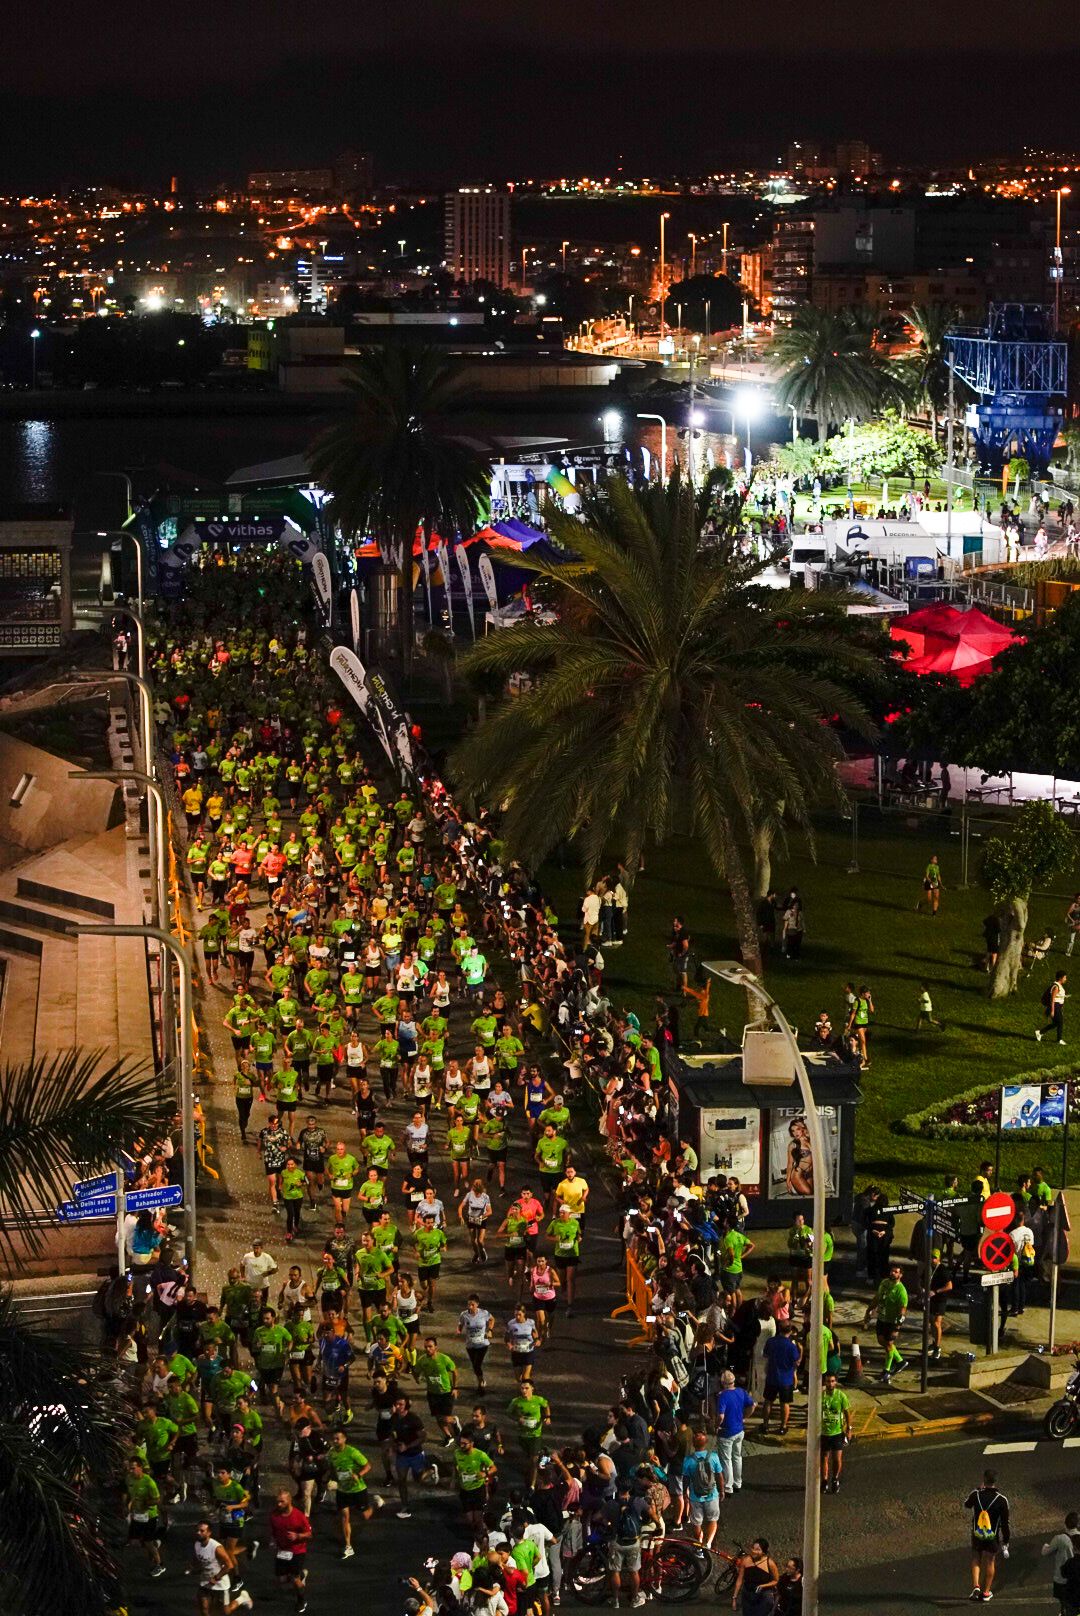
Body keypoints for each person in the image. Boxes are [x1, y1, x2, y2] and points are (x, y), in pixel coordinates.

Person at [964, 1468, 1010, 1603]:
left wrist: (978, 1489)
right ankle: (986, 1592)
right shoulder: (1002, 1500)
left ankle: (976, 1586)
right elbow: (1005, 1523)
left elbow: (966, 1505)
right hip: (992, 1536)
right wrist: (1005, 1540)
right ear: (995, 1481)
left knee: (976, 1557)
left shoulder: (976, 1494)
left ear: (984, 1479)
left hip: (977, 1533)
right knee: (990, 1561)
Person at [192, 1519, 253, 1614]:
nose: (198, 1533)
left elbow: (229, 1565)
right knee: (204, 1608)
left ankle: (242, 1598)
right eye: (197, 1530)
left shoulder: (217, 1547)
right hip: (205, 1580)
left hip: (220, 1583)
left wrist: (216, 1577)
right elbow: (200, 1559)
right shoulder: (197, 1544)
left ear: (209, 1533)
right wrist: (193, 1567)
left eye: (202, 1531)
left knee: (225, 1612)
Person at [864, 1262, 908, 1383]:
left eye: (896, 1272)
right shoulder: (884, 1283)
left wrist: (898, 1325)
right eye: (892, 1271)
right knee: (881, 1340)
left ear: (900, 1275)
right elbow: (877, 1298)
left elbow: (903, 1310)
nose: (893, 1273)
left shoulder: (901, 1291)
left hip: (892, 1321)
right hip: (882, 1318)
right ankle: (900, 1361)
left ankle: (886, 1371)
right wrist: (869, 1310)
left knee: (889, 1345)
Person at [269, 1489, 312, 1614]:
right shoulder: (274, 1515)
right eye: (277, 1502)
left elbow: (310, 1535)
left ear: (289, 1501)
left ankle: (301, 1600)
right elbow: (273, 1531)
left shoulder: (299, 1516)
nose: (279, 1504)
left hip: (297, 1551)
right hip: (282, 1551)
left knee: (294, 1579)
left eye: (282, 1502)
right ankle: (301, 1574)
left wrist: (297, 1536)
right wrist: (272, 1541)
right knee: (282, 1580)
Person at [680, 1430, 724, 1551]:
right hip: (712, 1494)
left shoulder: (688, 1460)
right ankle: (708, 1543)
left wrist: (685, 1493)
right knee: (713, 1520)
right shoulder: (714, 1457)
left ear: (693, 1444)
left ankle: (699, 1546)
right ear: (706, 1443)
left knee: (697, 1523)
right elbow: (719, 1475)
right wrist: (722, 1491)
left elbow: (686, 1479)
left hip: (695, 1496)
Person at [715, 1369, 755, 1495]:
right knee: (737, 1456)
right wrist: (744, 1417)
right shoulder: (741, 1392)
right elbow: (752, 1405)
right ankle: (738, 1482)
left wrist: (717, 1425)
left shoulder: (722, 1396)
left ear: (723, 1383)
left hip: (726, 1432)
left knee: (726, 1459)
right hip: (739, 1430)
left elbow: (721, 1416)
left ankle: (728, 1486)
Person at [761, 1321, 801, 1435]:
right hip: (786, 1379)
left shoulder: (771, 1342)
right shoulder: (791, 1346)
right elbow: (796, 1361)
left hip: (772, 1377)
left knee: (768, 1401)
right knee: (785, 1403)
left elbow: (765, 1355)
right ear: (790, 1331)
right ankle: (783, 1426)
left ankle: (765, 1425)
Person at [819, 1371, 851, 1494]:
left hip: (837, 1433)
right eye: (828, 1381)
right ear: (824, 1382)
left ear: (836, 1382)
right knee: (824, 1457)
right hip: (824, 1433)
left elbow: (847, 1412)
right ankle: (824, 1481)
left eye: (832, 1381)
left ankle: (835, 1479)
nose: (830, 1384)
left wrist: (849, 1429)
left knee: (837, 1459)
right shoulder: (821, 1396)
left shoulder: (841, 1396)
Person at [1042, 1510, 1078, 1614]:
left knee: (1063, 1599)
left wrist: (1045, 1546)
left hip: (1061, 1577)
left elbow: (1045, 1552)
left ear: (1065, 1524)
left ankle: (1064, 1611)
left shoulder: (1060, 1539)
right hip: (1076, 1576)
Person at [732, 1540, 780, 1615]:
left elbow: (776, 1580)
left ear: (763, 1552)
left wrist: (762, 1586)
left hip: (763, 1596)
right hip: (748, 1594)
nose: (754, 1551)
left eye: (758, 1549)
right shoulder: (746, 1560)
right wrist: (734, 1598)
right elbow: (739, 1579)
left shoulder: (770, 1563)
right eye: (753, 1548)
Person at [1036, 972, 1068, 1045]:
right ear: (1060, 978)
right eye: (1065, 977)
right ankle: (1059, 1039)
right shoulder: (1056, 986)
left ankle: (1040, 1032)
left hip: (1058, 1007)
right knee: (1060, 1023)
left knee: (1056, 1023)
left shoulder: (1059, 986)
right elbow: (1052, 999)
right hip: (1055, 1006)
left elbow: (1058, 996)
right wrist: (1053, 1011)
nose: (1066, 979)